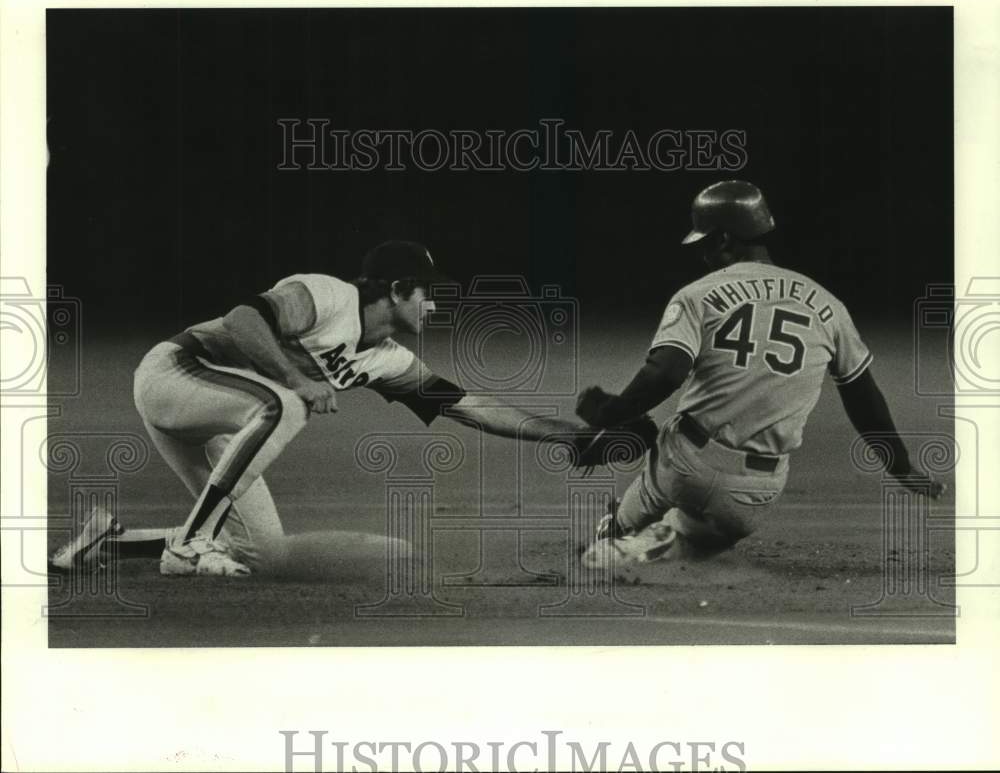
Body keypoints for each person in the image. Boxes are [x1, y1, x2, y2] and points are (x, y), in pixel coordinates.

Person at [52, 240, 647, 577]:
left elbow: (471, 406)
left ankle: (107, 543)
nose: (434, 309)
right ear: (397, 290)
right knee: (287, 404)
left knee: (262, 554)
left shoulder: (387, 358)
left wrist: (569, 437)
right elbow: (243, 319)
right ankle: (188, 546)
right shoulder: (327, 294)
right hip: (173, 375)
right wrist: (297, 380)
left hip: (228, 411)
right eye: (428, 295)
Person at [576, 180, 945, 570]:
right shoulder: (828, 305)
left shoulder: (698, 294)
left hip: (686, 463)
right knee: (708, 537)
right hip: (756, 493)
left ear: (723, 240)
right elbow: (863, 398)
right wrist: (901, 466)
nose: (702, 254)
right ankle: (659, 542)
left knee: (663, 455)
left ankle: (617, 530)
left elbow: (665, 372)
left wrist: (614, 413)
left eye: (704, 243)